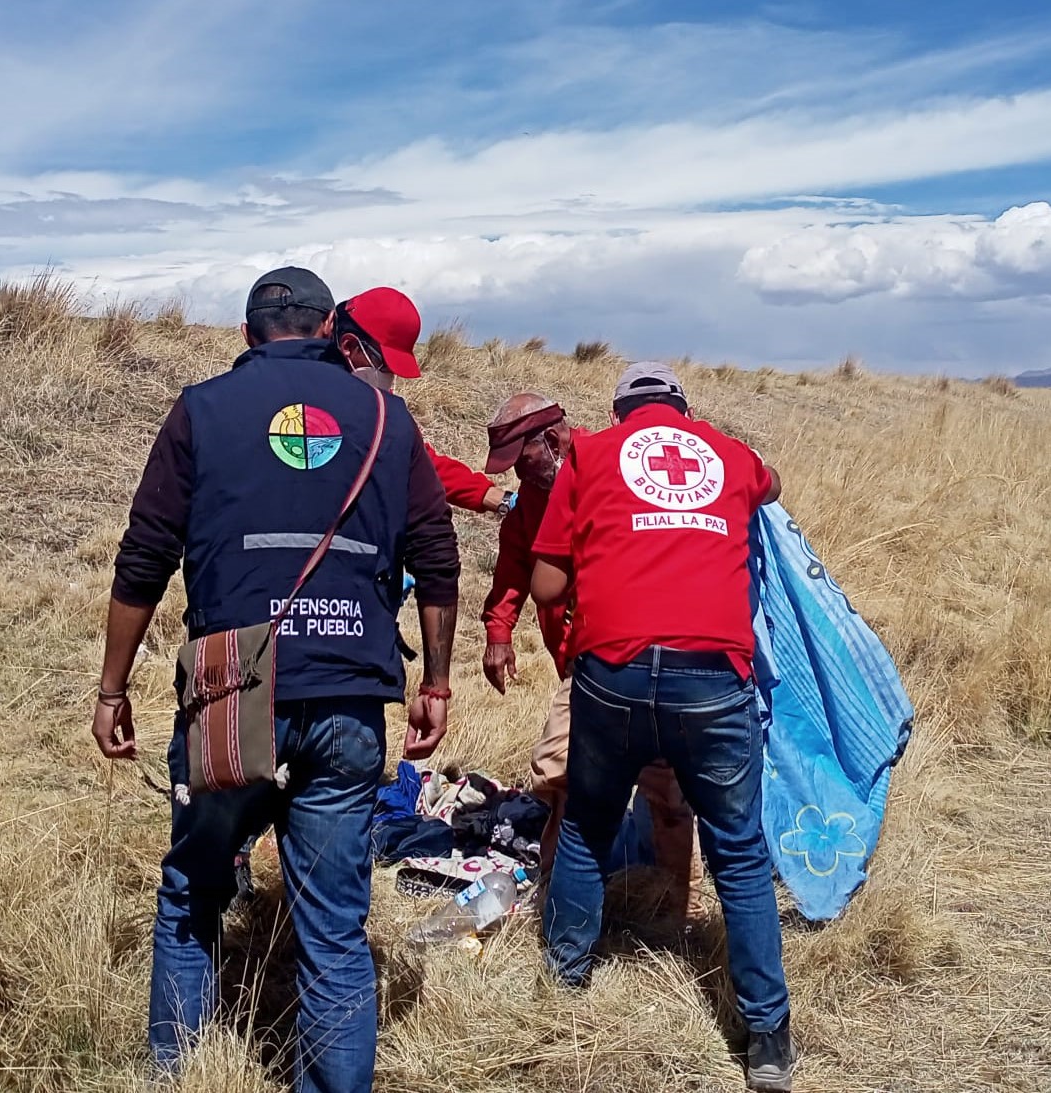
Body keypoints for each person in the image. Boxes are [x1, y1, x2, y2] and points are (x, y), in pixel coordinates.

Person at [90, 267, 460, 1093]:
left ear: (250, 331)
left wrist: (112, 688)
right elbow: (437, 558)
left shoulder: (200, 409)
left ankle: (178, 1074)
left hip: (230, 696)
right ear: (331, 327)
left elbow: (143, 555)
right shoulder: (387, 421)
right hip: (350, 695)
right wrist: (435, 681)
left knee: (193, 892)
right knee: (334, 931)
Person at [529, 361, 796, 1092]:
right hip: (713, 677)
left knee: (585, 825)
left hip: (612, 670)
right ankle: (768, 1040)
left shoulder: (588, 453)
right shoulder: (727, 452)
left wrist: (608, 561)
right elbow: (772, 486)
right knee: (738, 850)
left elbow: (547, 583)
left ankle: (566, 981)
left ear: (620, 414)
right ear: (681, 411)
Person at [479, 392, 702, 920]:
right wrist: (498, 630)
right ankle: (558, 907)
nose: (517, 476)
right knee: (560, 779)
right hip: (581, 662)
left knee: (666, 793)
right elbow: (514, 567)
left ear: (552, 440)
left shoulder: (616, 464)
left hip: (652, 655)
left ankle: (672, 913)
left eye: (522, 460)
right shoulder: (530, 502)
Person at [326, 286, 510, 516]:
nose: (389, 377)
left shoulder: (378, 405)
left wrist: (494, 497)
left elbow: (418, 461)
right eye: (384, 365)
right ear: (349, 346)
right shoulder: (299, 392)